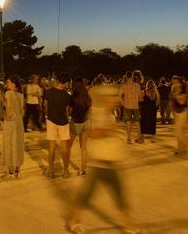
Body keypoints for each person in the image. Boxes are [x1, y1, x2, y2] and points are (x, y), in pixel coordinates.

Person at [67, 73, 139, 234]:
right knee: (86, 195)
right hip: (99, 163)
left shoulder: (111, 113)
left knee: (120, 195)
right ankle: (74, 220)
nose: (117, 100)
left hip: (112, 161)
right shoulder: (96, 112)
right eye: (113, 98)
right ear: (105, 99)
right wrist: (106, 129)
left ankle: (129, 225)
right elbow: (92, 134)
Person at [44, 73, 72, 178]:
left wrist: (47, 115)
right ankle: (65, 171)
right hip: (63, 122)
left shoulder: (49, 92)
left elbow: (45, 106)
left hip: (51, 121)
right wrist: (67, 118)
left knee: (51, 146)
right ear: (65, 83)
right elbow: (67, 111)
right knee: (64, 147)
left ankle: (50, 170)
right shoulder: (67, 95)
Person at [2, 75, 25, 178]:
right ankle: (17, 170)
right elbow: (22, 110)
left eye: (8, 82)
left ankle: (10, 171)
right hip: (19, 121)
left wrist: (6, 117)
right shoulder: (20, 95)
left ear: (13, 84)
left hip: (10, 122)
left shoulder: (8, 93)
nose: (7, 84)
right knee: (18, 143)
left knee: (9, 143)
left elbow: (8, 107)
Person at [68, 78, 91, 176]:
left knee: (68, 146)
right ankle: (83, 170)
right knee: (84, 147)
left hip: (75, 123)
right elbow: (89, 111)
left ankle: (66, 167)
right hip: (85, 122)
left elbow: (68, 111)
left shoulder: (73, 97)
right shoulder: (87, 97)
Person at [120, 71, 143, 144]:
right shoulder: (137, 85)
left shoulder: (123, 85)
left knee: (128, 122)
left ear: (126, 76)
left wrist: (123, 103)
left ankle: (129, 139)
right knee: (137, 122)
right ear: (132, 76)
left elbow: (120, 95)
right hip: (136, 106)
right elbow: (140, 97)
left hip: (127, 106)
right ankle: (139, 138)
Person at [171, 76, 188, 156]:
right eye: (173, 82)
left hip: (182, 112)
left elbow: (182, 102)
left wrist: (176, 96)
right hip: (176, 112)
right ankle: (180, 149)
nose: (174, 84)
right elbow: (172, 103)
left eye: (176, 82)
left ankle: (184, 148)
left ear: (180, 83)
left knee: (180, 133)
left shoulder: (183, 92)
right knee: (178, 132)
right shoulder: (173, 91)